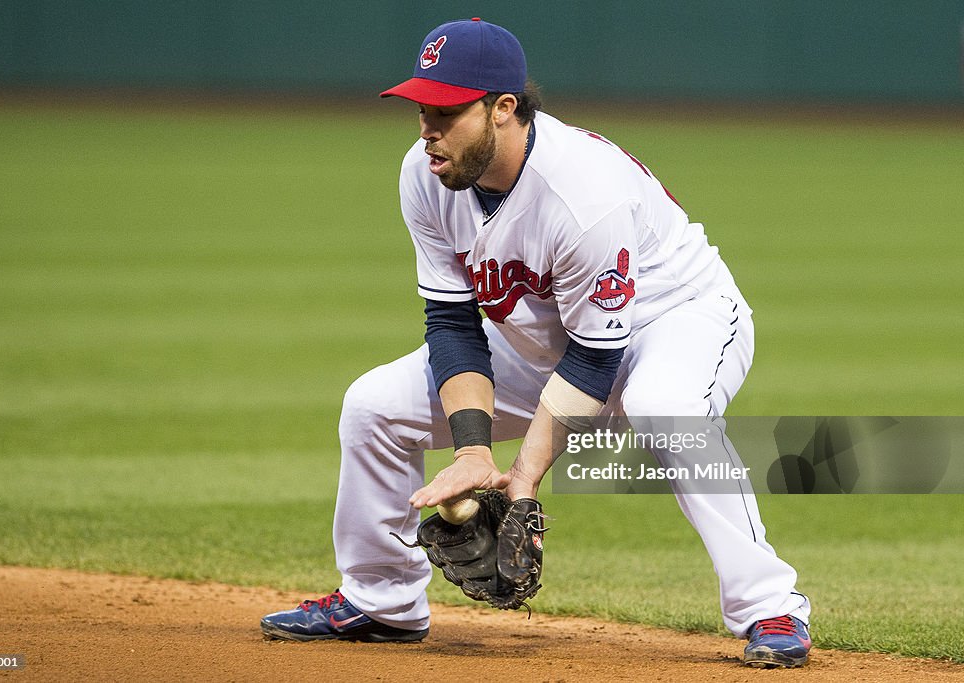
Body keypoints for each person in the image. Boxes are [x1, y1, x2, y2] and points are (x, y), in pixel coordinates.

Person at [261, 18, 812, 668]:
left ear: (503, 109)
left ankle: (770, 606)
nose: (427, 130)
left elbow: (598, 356)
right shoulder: (425, 175)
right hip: (546, 337)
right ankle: (381, 599)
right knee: (373, 406)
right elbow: (453, 321)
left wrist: (522, 477)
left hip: (673, 319)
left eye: (445, 111)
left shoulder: (581, 192)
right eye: (420, 109)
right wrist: (471, 449)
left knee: (666, 404)